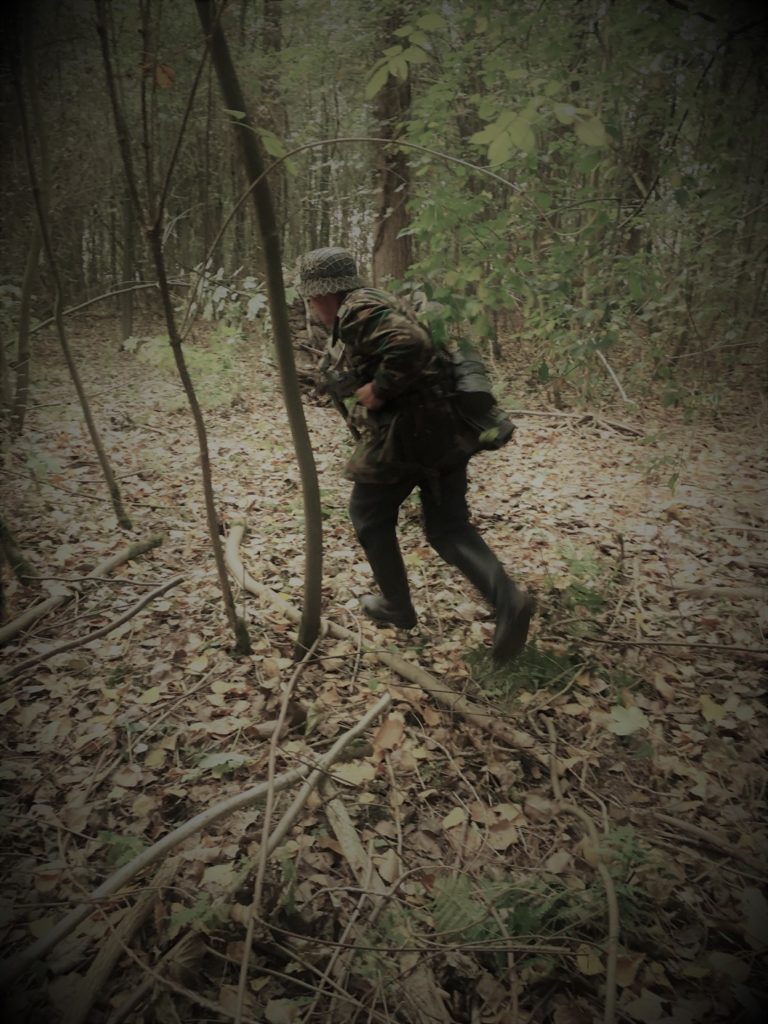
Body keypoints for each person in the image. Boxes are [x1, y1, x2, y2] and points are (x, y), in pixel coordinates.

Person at [297, 246, 534, 663]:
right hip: (445, 430)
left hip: (411, 434)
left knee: (368, 513)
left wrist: (380, 388)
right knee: (447, 527)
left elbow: (412, 343)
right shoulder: (376, 301)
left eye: (314, 299)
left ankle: (397, 605)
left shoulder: (356, 310)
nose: (314, 308)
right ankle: (508, 601)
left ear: (323, 294)